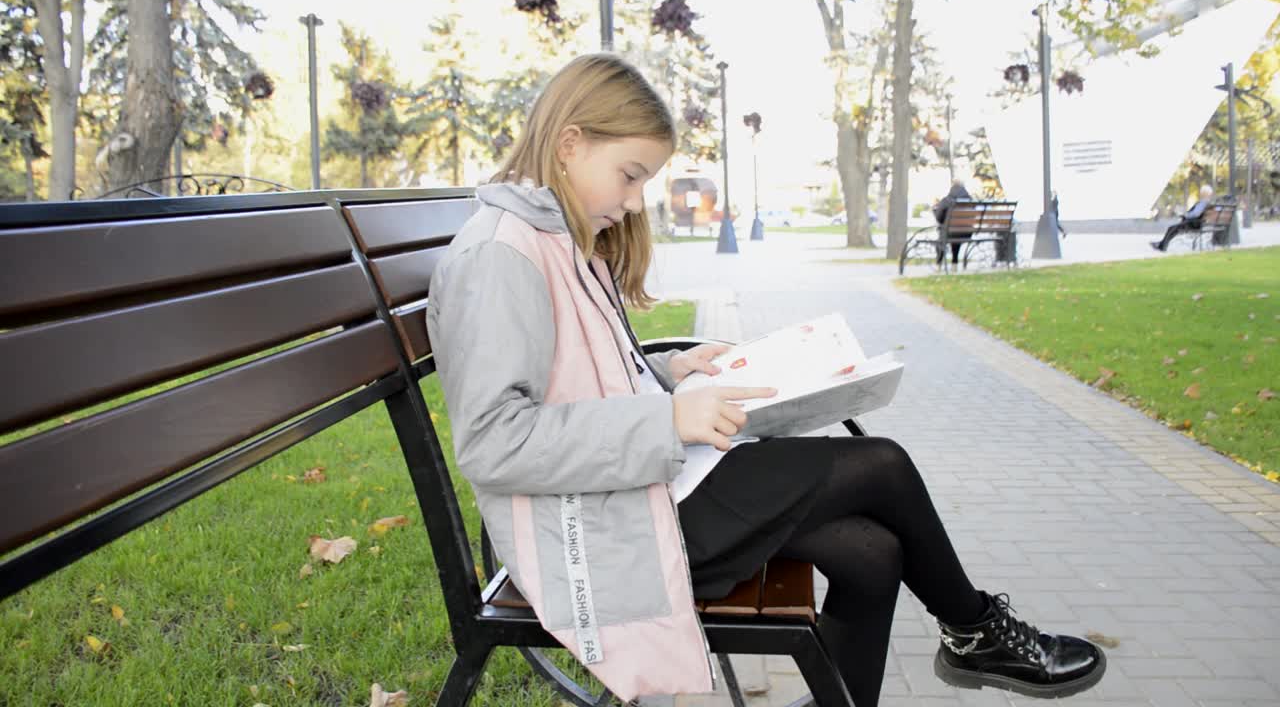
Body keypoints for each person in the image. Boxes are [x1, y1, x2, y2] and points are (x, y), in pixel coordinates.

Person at [426, 54, 1106, 707]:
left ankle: (970, 633)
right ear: (570, 143)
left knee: (874, 555)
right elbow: (494, 442)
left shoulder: (554, 238)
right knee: (882, 466)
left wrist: (668, 372)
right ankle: (976, 629)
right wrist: (667, 420)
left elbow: (572, 381)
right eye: (630, 176)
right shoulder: (500, 256)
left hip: (637, 488)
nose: (636, 203)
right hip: (605, 523)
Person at [1152, 185, 1214, 251]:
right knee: (1173, 228)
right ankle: (1162, 244)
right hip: (1196, 223)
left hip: (1193, 223)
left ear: (1204, 193)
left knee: (1172, 228)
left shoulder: (1203, 202)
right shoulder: (1206, 202)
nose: (1200, 193)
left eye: (1202, 192)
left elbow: (1196, 214)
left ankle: (1162, 246)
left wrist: (1185, 215)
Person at [932, 179, 972, 266]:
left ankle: (939, 263)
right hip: (966, 233)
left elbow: (939, 218)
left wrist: (935, 210)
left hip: (949, 233)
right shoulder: (971, 201)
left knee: (942, 237)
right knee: (955, 238)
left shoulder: (947, 200)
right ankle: (954, 263)